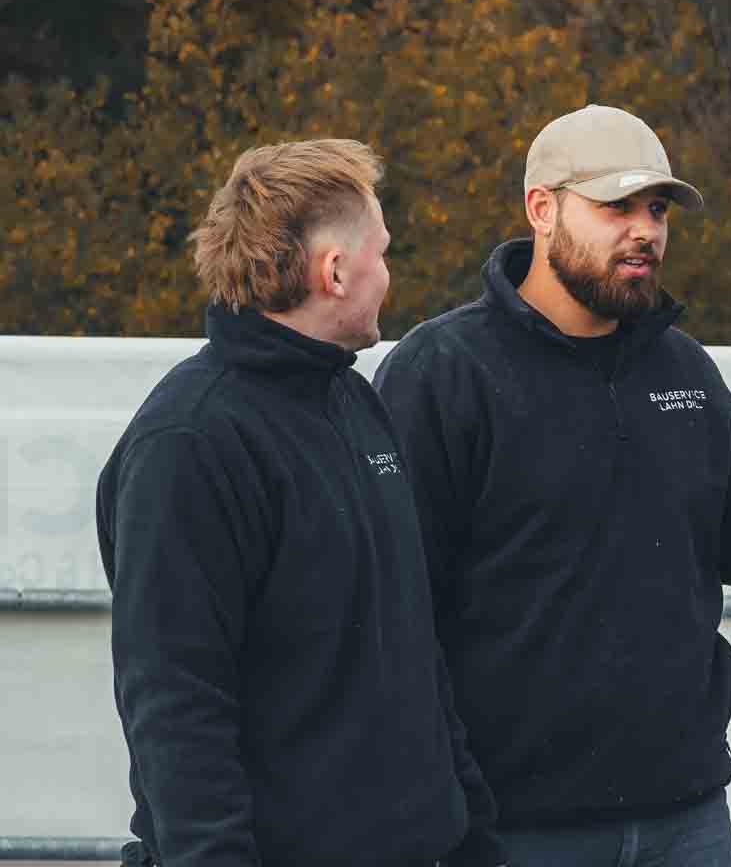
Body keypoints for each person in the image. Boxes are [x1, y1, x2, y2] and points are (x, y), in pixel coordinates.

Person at [372, 104, 731, 866]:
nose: (645, 230)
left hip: (685, 815)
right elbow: (395, 609)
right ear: (541, 209)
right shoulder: (441, 374)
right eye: (616, 206)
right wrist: (440, 807)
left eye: (656, 209)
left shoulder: (684, 371)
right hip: (509, 827)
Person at [96, 139, 504, 867]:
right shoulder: (190, 443)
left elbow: (411, 640)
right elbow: (175, 706)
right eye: (382, 252)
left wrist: (470, 827)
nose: (389, 273)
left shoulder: (351, 398)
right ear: (336, 270)